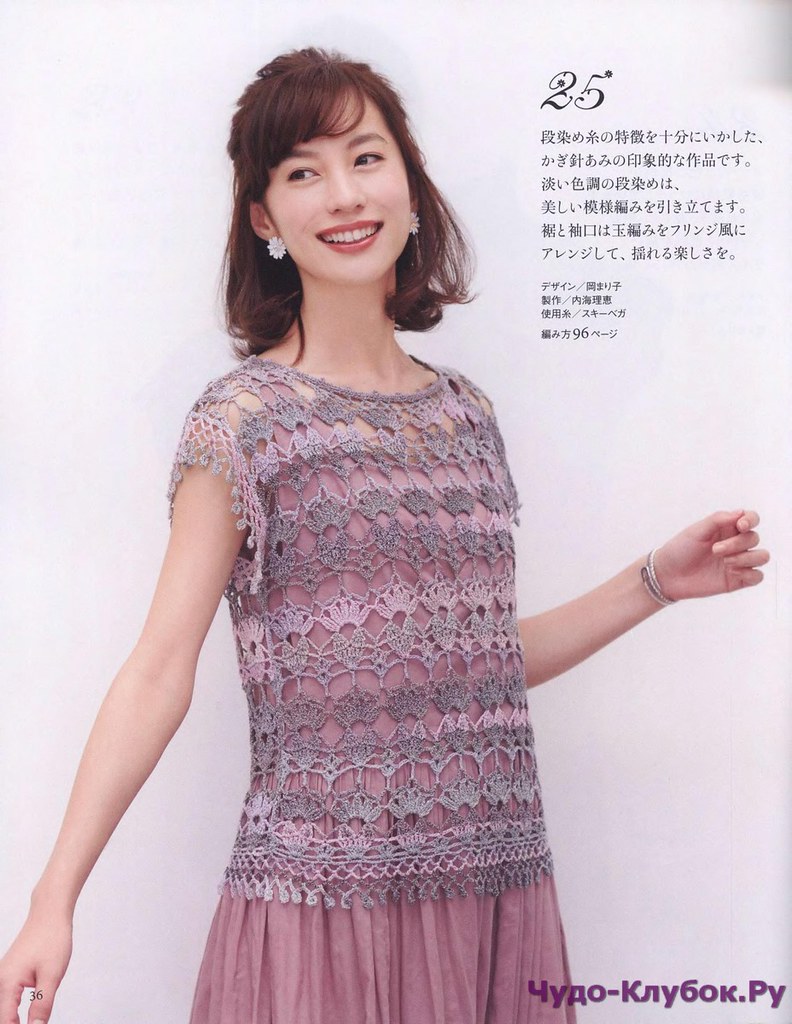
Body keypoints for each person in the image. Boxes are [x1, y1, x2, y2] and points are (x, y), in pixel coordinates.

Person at [0, 46, 769, 1024]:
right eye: (302, 172)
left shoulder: (467, 416)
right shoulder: (243, 426)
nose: (343, 194)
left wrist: (654, 580)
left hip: (495, 888)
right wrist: (53, 899)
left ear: (409, 183)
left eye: (366, 158)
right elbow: (158, 670)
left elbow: (470, 664)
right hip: (324, 910)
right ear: (264, 219)